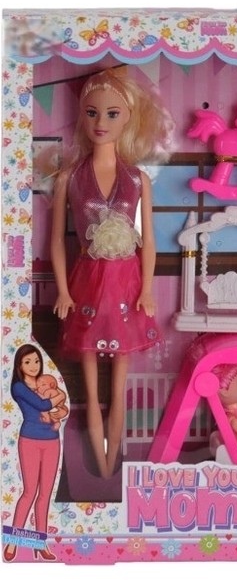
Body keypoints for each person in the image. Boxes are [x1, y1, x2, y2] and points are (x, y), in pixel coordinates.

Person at [50, 69, 174, 479]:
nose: (101, 122)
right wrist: (63, 291)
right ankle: (99, 467)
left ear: (128, 118)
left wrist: (148, 289)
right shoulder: (70, 177)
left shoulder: (137, 179)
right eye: (92, 112)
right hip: (86, 283)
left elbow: (149, 240)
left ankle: (110, 468)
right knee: (89, 387)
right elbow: (57, 241)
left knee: (119, 384)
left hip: (126, 285)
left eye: (112, 114)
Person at [3, 344, 67, 562]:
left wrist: (60, 407)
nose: (33, 365)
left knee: (45, 495)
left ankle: (41, 543)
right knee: (29, 492)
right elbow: (42, 405)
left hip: (52, 441)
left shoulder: (44, 381)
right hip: (30, 440)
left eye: (37, 361)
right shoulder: (19, 387)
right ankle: (13, 542)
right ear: (19, 365)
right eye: (27, 362)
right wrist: (59, 396)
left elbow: (60, 407)